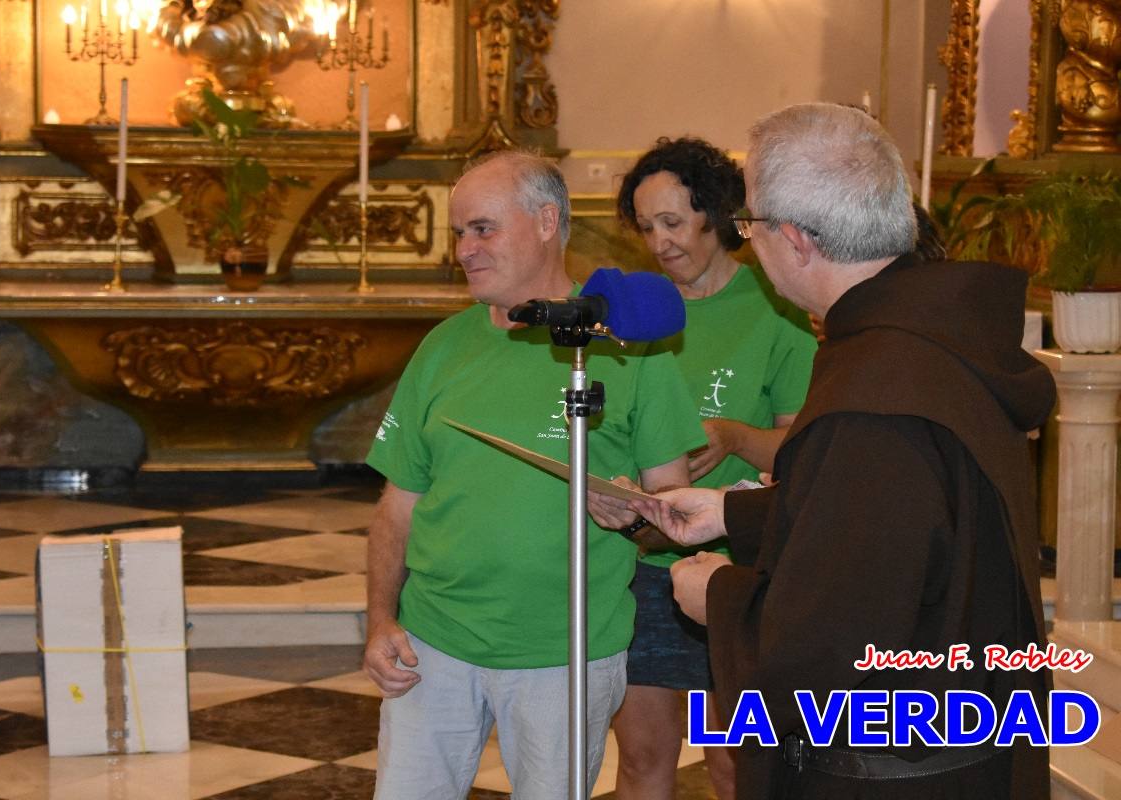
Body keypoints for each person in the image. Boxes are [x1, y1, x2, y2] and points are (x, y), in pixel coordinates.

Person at [630, 103, 1054, 798]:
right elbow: (898, 528)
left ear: (794, 239)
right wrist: (731, 517)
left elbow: (826, 648)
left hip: (892, 769)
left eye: (751, 225)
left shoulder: (872, 394)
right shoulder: (927, 343)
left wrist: (718, 593)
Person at [363, 149, 706, 800]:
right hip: (434, 643)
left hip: (566, 652)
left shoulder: (627, 348)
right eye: (459, 233)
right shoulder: (442, 347)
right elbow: (396, 504)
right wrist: (381, 621)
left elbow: (676, 502)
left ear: (547, 222)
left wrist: (635, 510)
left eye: (483, 229)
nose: (465, 249)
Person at [608, 137, 816, 800]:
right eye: (646, 228)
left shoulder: (776, 306)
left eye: (673, 222)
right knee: (642, 757)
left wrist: (730, 437)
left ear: (717, 215)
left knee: (735, 766)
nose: (660, 242)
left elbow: (804, 456)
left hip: (738, 568)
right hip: (642, 567)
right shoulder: (635, 314)